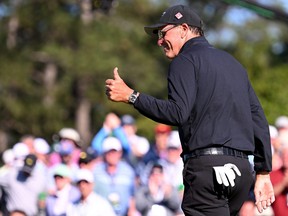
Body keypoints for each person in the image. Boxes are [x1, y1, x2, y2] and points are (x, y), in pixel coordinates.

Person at [105, 4, 275, 216]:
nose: (159, 40)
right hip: (241, 173)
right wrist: (263, 171)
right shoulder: (234, 64)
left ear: (184, 29)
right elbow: (258, 118)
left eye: (163, 32)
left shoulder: (184, 60)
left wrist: (132, 96)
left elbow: (177, 113)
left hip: (208, 171)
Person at [92, 136, 137, 216]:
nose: (112, 155)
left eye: (114, 152)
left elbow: (132, 195)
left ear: (120, 153)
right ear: (104, 154)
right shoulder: (96, 171)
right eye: (109, 152)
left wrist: (131, 211)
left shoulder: (128, 171)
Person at [270, 144, 288, 216]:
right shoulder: (273, 174)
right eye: (283, 155)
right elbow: (270, 195)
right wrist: (283, 184)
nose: (285, 158)